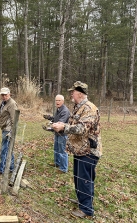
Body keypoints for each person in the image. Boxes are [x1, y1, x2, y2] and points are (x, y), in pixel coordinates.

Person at [52, 81, 102, 219]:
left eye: (73, 91)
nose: (71, 94)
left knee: (85, 180)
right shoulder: (78, 107)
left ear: (80, 93)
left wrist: (64, 128)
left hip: (88, 151)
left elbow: (82, 128)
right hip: (80, 150)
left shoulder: (89, 108)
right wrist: (64, 124)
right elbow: (74, 124)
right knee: (79, 178)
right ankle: (82, 201)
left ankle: (86, 210)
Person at [0, 87, 18, 174]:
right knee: (8, 148)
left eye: (5, 95)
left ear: (9, 94)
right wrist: (0, 122)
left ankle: (2, 169)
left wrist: (11, 132)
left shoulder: (12, 104)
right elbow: (4, 115)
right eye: (2, 95)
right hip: (4, 127)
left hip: (8, 130)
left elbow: (14, 119)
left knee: (4, 149)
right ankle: (11, 167)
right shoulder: (3, 103)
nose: (4, 96)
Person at [43, 94, 70, 173]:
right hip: (57, 134)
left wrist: (49, 127)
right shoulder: (58, 109)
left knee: (62, 151)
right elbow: (56, 119)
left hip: (62, 134)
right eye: (56, 100)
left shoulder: (65, 111)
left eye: (59, 100)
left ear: (63, 101)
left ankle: (63, 168)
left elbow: (59, 123)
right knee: (56, 149)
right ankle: (57, 163)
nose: (57, 102)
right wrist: (50, 118)